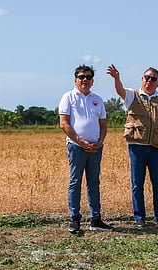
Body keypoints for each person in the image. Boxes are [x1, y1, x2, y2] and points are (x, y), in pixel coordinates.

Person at [106, 64, 158, 228]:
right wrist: (116, 78)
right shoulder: (132, 95)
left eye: (153, 79)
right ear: (142, 79)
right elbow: (120, 91)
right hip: (137, 145)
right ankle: (139, 217)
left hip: (156, 146)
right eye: (147, 77)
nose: (149, 81)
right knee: (138, 183)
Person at [59, 64, 114, 234]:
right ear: (75, 80)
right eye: (81, 77)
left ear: (92, 81)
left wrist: (100, 141)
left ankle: (95, 219)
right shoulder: (68, 97)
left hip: (95, 148)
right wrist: (81, 142)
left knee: (93, 183)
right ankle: (74, 219)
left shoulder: (97, 99)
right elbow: (64, 124)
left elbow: (103, 125)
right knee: (75, 182)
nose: (85, 80)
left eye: (88, 77)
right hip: (76, 147)